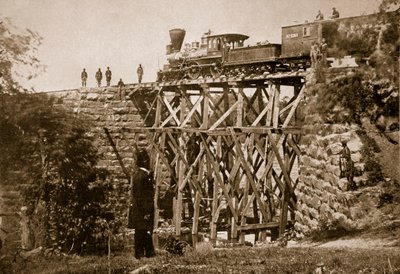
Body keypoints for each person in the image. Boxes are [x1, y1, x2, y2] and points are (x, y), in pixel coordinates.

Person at [128, 149, 155, 259]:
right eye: (147, 160)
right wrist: (146, 212)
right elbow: (141, 196)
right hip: (141, 210)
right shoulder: (142, 176)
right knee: (142, 231)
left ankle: (147, 253)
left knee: (143, 231)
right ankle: (142, 253)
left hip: (140, 209)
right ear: (144, 161)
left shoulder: (141, 175)